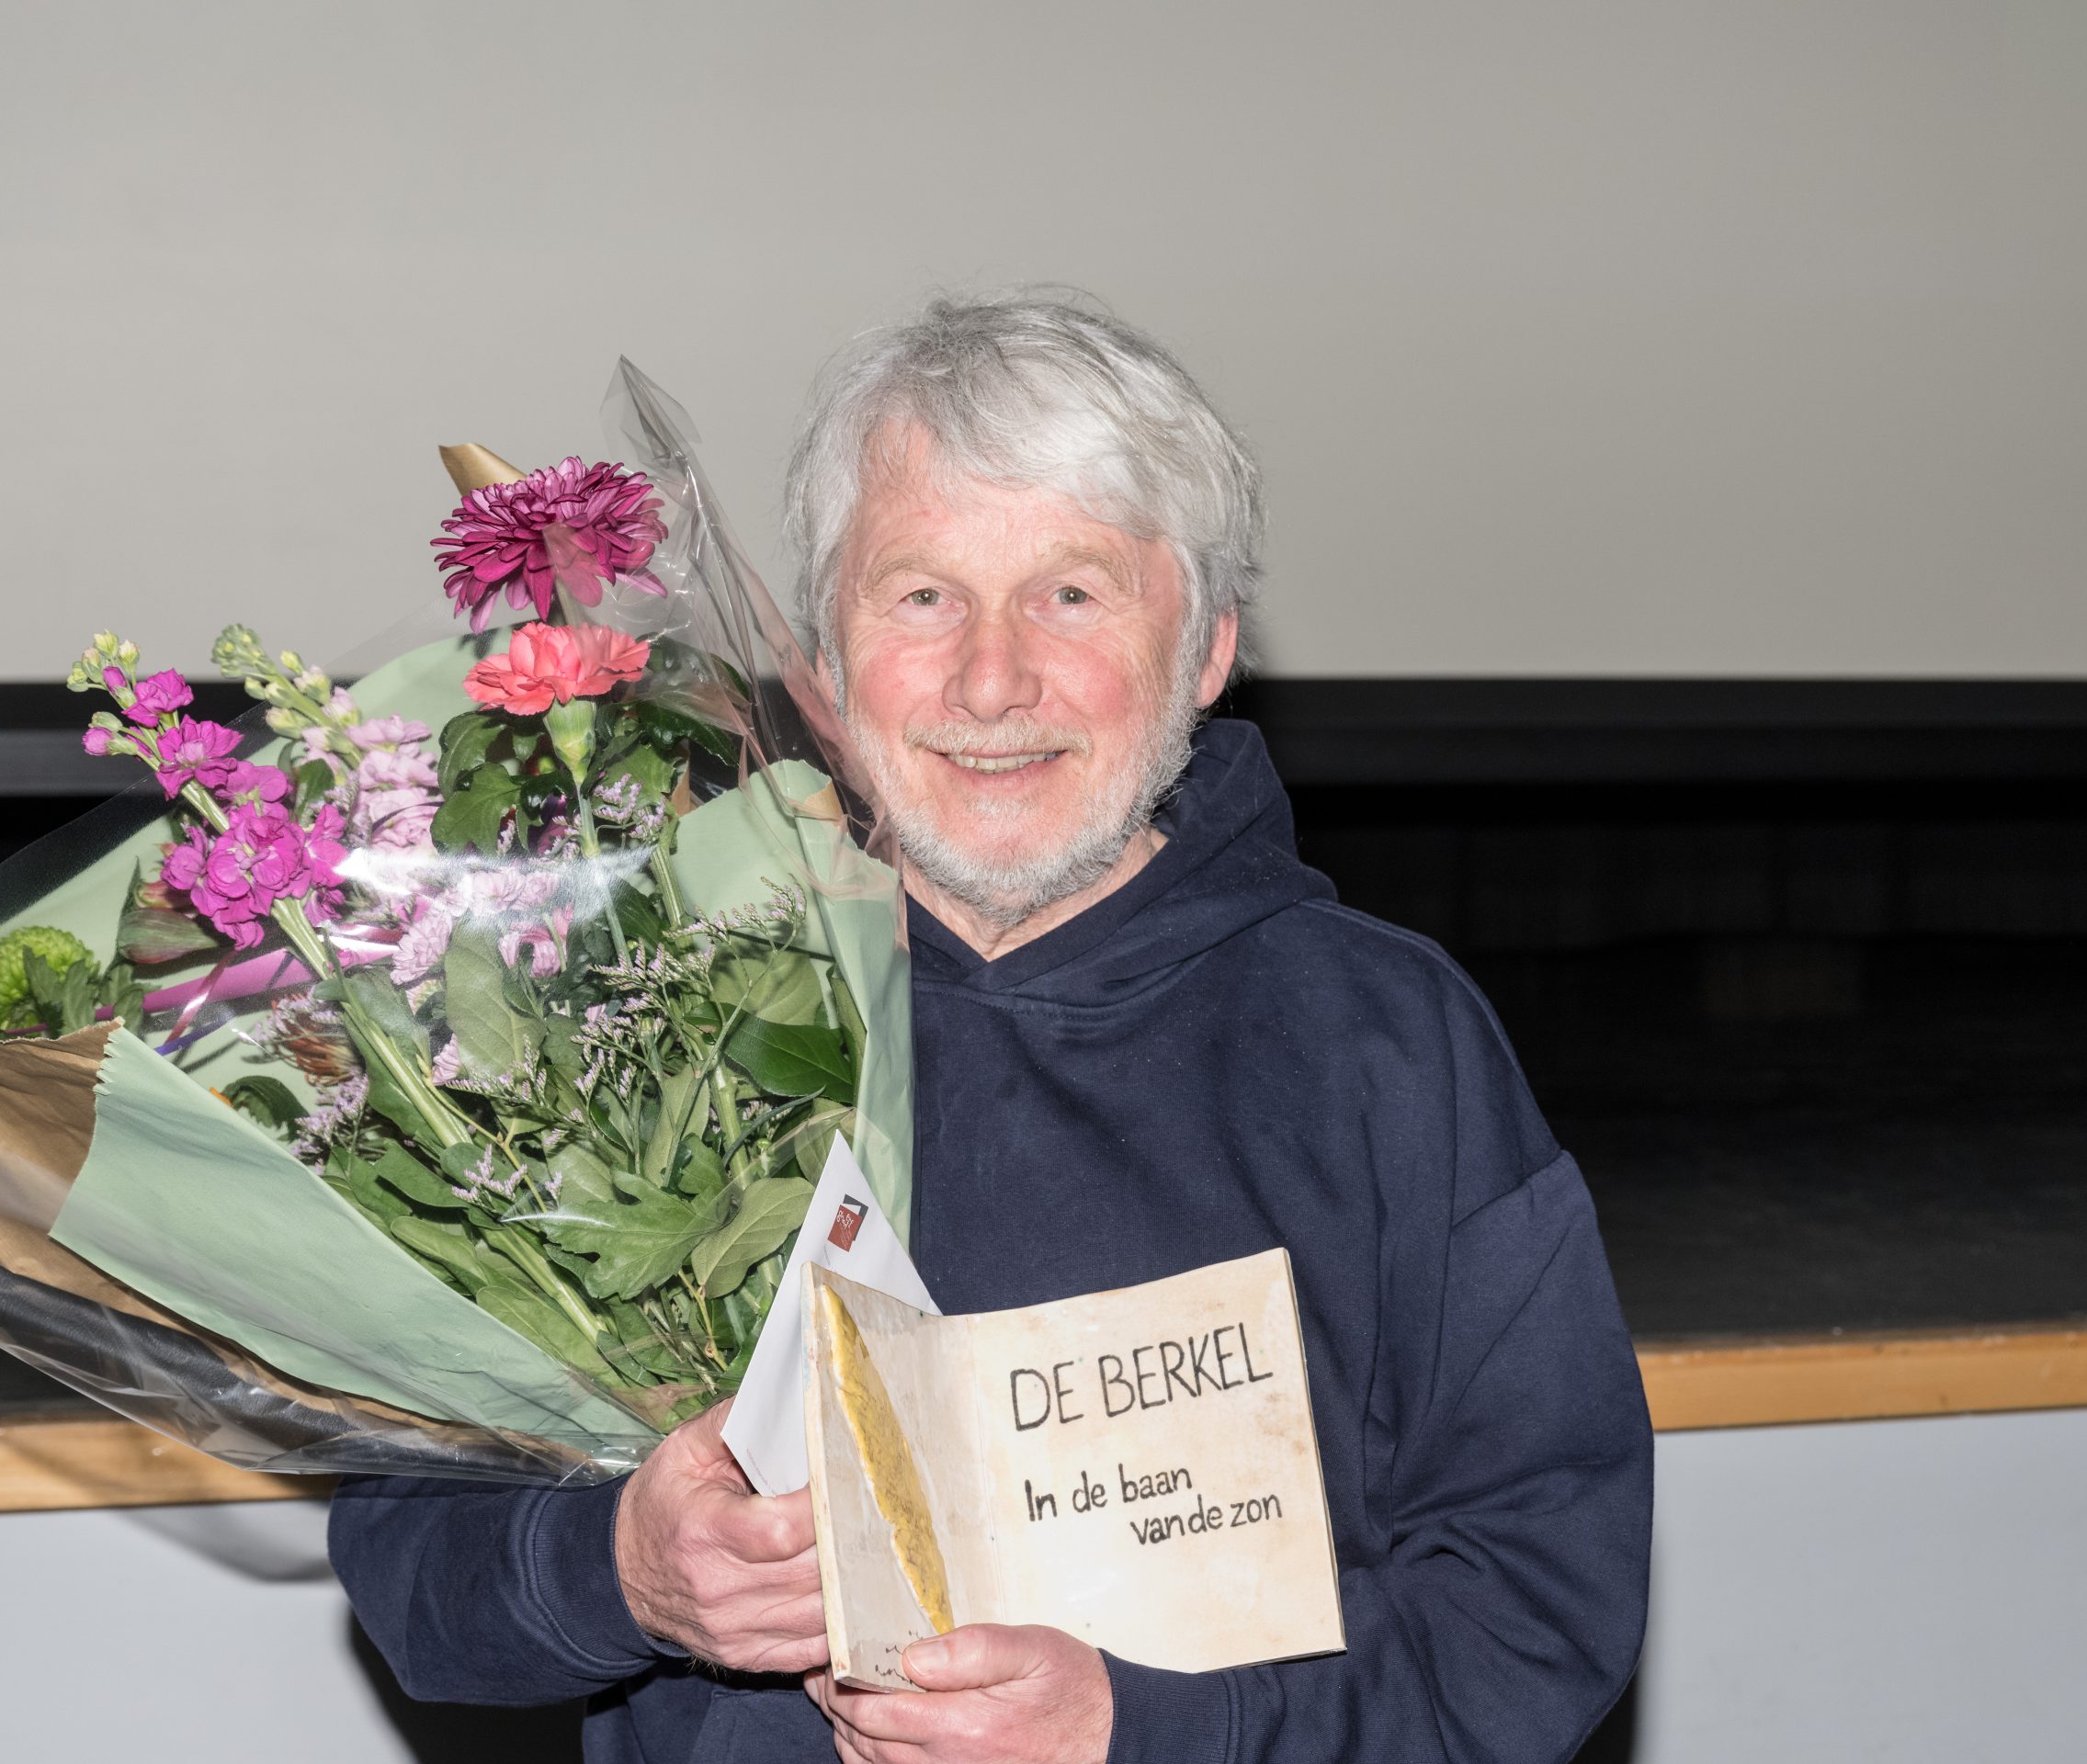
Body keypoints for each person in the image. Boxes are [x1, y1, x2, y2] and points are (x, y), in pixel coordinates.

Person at [331, 292, 1652, 1763]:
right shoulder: (639, 1018)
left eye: (1072, 595)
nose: (991, 679)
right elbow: (409, 1568)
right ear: (824, 656)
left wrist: (1148, 1735)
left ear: (1208, 649)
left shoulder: (1387, 1043)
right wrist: (619, 1571)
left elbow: (1538, 1613)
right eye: (922, 597)